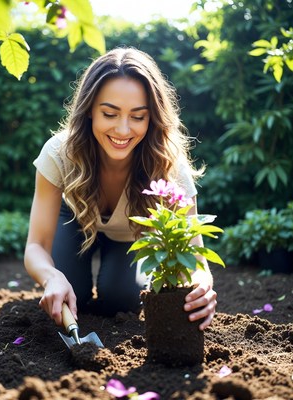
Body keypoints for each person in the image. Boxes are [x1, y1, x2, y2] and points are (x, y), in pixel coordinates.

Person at [24, 47, 217, 331]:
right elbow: (35, 246)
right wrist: (50, 276)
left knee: (122, 299)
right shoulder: (59, 153)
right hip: (74, 218)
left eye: (138, 116)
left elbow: (196, 256)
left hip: (129, 235)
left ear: (152, 118)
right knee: (68, 290)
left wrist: (201, 284)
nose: (123, 130)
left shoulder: (168, 164)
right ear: (90, 110)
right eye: (110, 113)